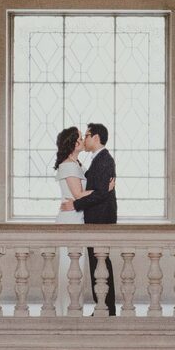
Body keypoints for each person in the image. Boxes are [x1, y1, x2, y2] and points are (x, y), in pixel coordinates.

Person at [62, 122, 118, 314]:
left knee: (101, 264)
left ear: (96, 138)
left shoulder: (104, 159)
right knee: (98, 264)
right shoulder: (96, 159)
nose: (83, 140)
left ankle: (106, 308)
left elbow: (101, 193)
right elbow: (94, 187)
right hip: (94, 218)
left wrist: (75, 205)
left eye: (86, 136)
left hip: (100, 219)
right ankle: (103, 306)